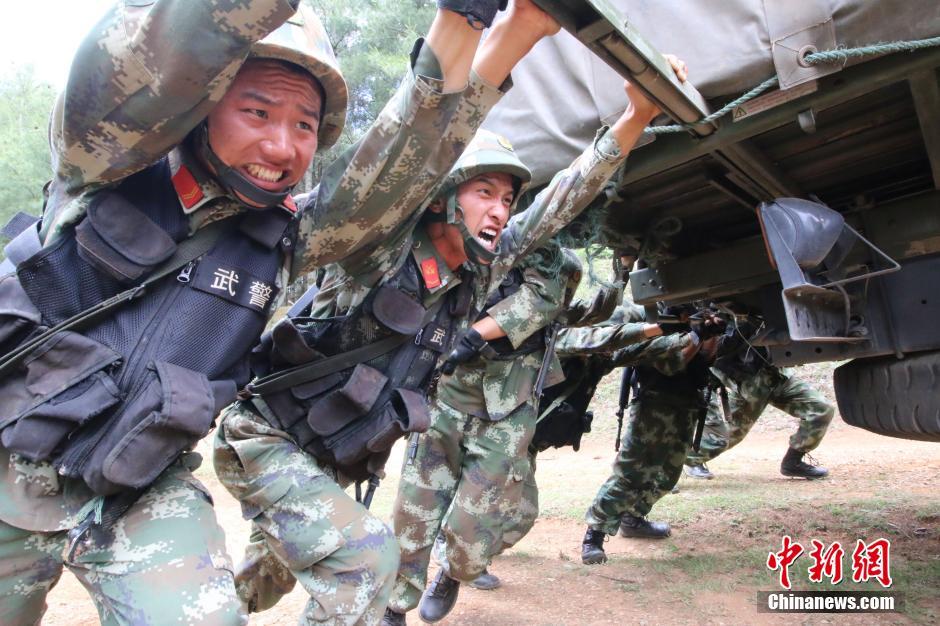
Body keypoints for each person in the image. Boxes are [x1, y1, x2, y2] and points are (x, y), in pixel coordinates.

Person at [0, 0, 507, 623]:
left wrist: (467, 22)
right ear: (203, 101)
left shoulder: (290, 239)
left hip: (134, 487)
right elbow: (157, 50)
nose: (281, 144)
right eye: (257, 112)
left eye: (304, 125)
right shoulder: (101, 164)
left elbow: (398, 161)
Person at [212, 3, 586, 624]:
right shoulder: (378, 252)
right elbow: (411, 148)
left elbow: (560, 206)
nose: (499, 212)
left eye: (507, 199)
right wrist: (494, 35)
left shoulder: (474, 275)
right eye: (484, 193)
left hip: (328, 451)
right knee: (364, 567)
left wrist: (632, 122)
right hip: (270, 437)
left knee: (265, 576)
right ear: (442, 201)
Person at [580, 305, 726, 565]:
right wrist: (697, 335)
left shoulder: (695, 318)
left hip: (686, 404)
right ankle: (595, 535)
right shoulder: (657, 322)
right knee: (630, 473)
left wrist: (712, 333)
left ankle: (633, 518)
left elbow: (706, 358)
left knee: (668, 473)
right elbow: (672, 363)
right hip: (653, 405)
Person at [683, 346, 834, 480]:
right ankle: (683, 461)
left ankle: (793, 463)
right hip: (750, 386)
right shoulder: (728, 326)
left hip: (779, 377)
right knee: (728, 437)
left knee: (821, 409)